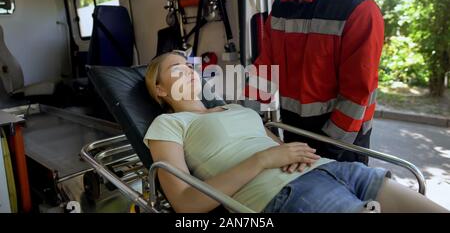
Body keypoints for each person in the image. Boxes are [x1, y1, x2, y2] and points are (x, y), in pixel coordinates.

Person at [142, 52, 447, 213]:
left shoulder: (232, 108)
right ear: (159, 88)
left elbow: (275, 146)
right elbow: (185, 203)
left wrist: (297, 154)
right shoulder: (167, 125)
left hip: (334, 171)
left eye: (189, 65)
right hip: (285, 194)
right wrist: (262, 161)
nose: (190, 71)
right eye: (176, 69)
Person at [249, 0, 385, 165]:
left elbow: (356, 96)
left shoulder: (359, 10)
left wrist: (327, 149)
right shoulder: (279, 9)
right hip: (294, 135)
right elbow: (265, 70)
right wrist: (236, 112)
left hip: (342, 145)